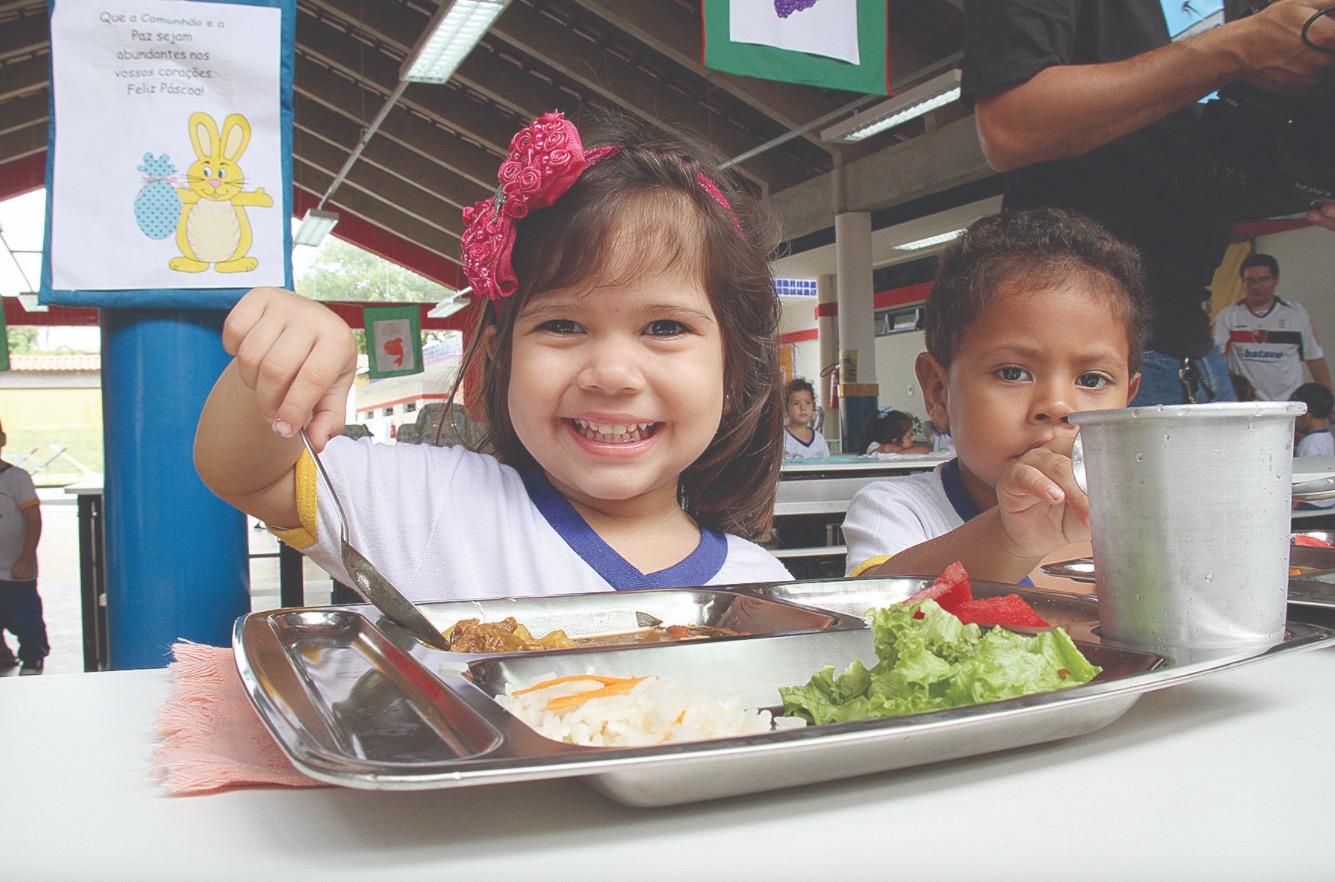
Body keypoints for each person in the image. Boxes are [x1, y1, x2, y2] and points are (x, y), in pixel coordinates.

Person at [195, 112, 793, 600]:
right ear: (501, 356)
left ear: (734, 368)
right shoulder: (430, 507)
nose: (610, 375)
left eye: (664, 327)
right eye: (562, 324)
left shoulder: (762, 591)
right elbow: (250, 474)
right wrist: (277, 361)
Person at [962, 0, 1335, 407]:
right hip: (1077, 355)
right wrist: (1234, 49)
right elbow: (1010, 126)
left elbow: (1219, 156)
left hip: (1192, 343)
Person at [842, 208, 1150, 584]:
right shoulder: (900, 511)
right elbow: (872, 613)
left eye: (1092, 379)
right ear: (939, 391)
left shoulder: (1147, 520)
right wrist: (1008, 537)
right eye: (1012, 373)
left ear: (1128, 401)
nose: (1057, 406)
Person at [1214, 253, 1331, 401]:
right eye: (1250, 281)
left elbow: (1314, 358)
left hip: (1290, 405)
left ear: (1276, 280)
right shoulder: (1228, 316)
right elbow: (1215, 360)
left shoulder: (1295, 313)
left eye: (1263, 280)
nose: (1257, 286)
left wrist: (1328, 402)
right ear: (1242, 283)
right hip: (1248, 407)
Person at [0, 420, 49, 675]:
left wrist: (26, 557)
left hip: (15, 572)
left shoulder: (16, 479)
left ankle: (32, 663)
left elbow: (33, 519)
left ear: (3, 439)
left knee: (27, 622)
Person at [1291, 382, 1335, 510]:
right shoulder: (1327, 436)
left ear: (1306, 415)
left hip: (1314, 502)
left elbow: (1308, 480)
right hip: (1329, 499)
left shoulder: (1309, 442)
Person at [782, 377, 830, 459]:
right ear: (785, 409)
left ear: (813, 407)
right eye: (796, 404)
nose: (803, 408)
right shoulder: (781, 437)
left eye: (808, 403)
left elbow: (828, 465)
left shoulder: (819, 439)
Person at [857, 409, 930, 455]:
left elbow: (924, 449)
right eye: (910, 435)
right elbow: (887, 449)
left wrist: (902, 452)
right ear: (895, 441)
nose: (913, 439)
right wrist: (903, 452)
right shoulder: (874, 446)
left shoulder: (901, 449)